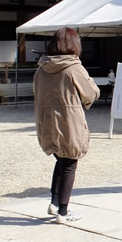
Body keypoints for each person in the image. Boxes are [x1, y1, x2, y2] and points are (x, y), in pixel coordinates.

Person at [33, 27, 99, 224]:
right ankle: (63, 211)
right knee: (70, 162)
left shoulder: (41, 69)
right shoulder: (73, 68)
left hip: (47, 122)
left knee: (60, 161)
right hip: (69, 122)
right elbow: (91, 93)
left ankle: (54, 203)